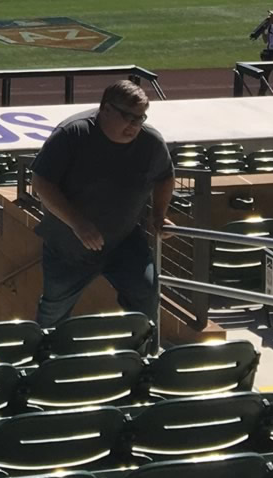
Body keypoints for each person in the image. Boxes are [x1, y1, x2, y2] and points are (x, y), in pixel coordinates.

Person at [29, 81, 174, 326]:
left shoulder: (150, 141)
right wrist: (78, 223)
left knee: (146, 296)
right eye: (128, 116)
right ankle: (45, 360)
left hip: (124, 241)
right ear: (106, 109)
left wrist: (159, 214)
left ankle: (139, 355)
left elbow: (165, 176)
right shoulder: (72, 134)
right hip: (69, 246)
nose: (134, 125)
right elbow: (41, 182)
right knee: (54, 310)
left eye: (140, 118)